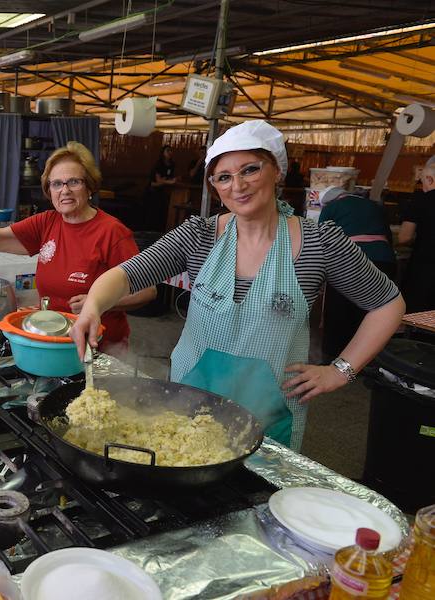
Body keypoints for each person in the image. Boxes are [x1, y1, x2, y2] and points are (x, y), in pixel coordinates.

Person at [71, 121, 404, 451]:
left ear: (277, 171)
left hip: (269, 417)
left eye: (250, 169)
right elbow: (127, 275)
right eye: (224, 177)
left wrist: (339, 371)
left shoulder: (319, 242)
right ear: (214, 186)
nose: (238, 185)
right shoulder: (198, 235)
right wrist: (93, 307)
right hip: (188, 405)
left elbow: (388, 304)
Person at [0, 141, 156, 356]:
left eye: (74, 182)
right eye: (56, 184)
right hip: (55, 341)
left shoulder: (112, 232)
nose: (65, 190)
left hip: (100, 346)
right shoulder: (46, 223)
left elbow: (147, 291)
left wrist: (97, 304)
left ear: (89, 186)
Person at [317, 187, 396, 361]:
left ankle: (333, 356)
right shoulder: (375, 206)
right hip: (383, 259)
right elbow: (389, 237)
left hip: (346, 260)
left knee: (339, 309)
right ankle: (369, 358)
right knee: (373, 310)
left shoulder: (332, 208)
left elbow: (320, 239)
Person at [398, 155, 435, 313]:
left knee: (418, 315)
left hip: (425, 266)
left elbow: (403, 237)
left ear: (430, 179)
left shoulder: (421, 200)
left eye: (422, 181)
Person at [146, 144, 177, 231]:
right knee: (153, 212)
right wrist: (168, 181)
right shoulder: (159, 164)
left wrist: (170, 180)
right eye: (167, 151)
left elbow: (168, 177)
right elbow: (158, 180)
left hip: (164, 191)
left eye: (171, 151)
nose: (170, 153)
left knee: (162, 212)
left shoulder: (172, 164)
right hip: (154, 191)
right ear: (163, 153)